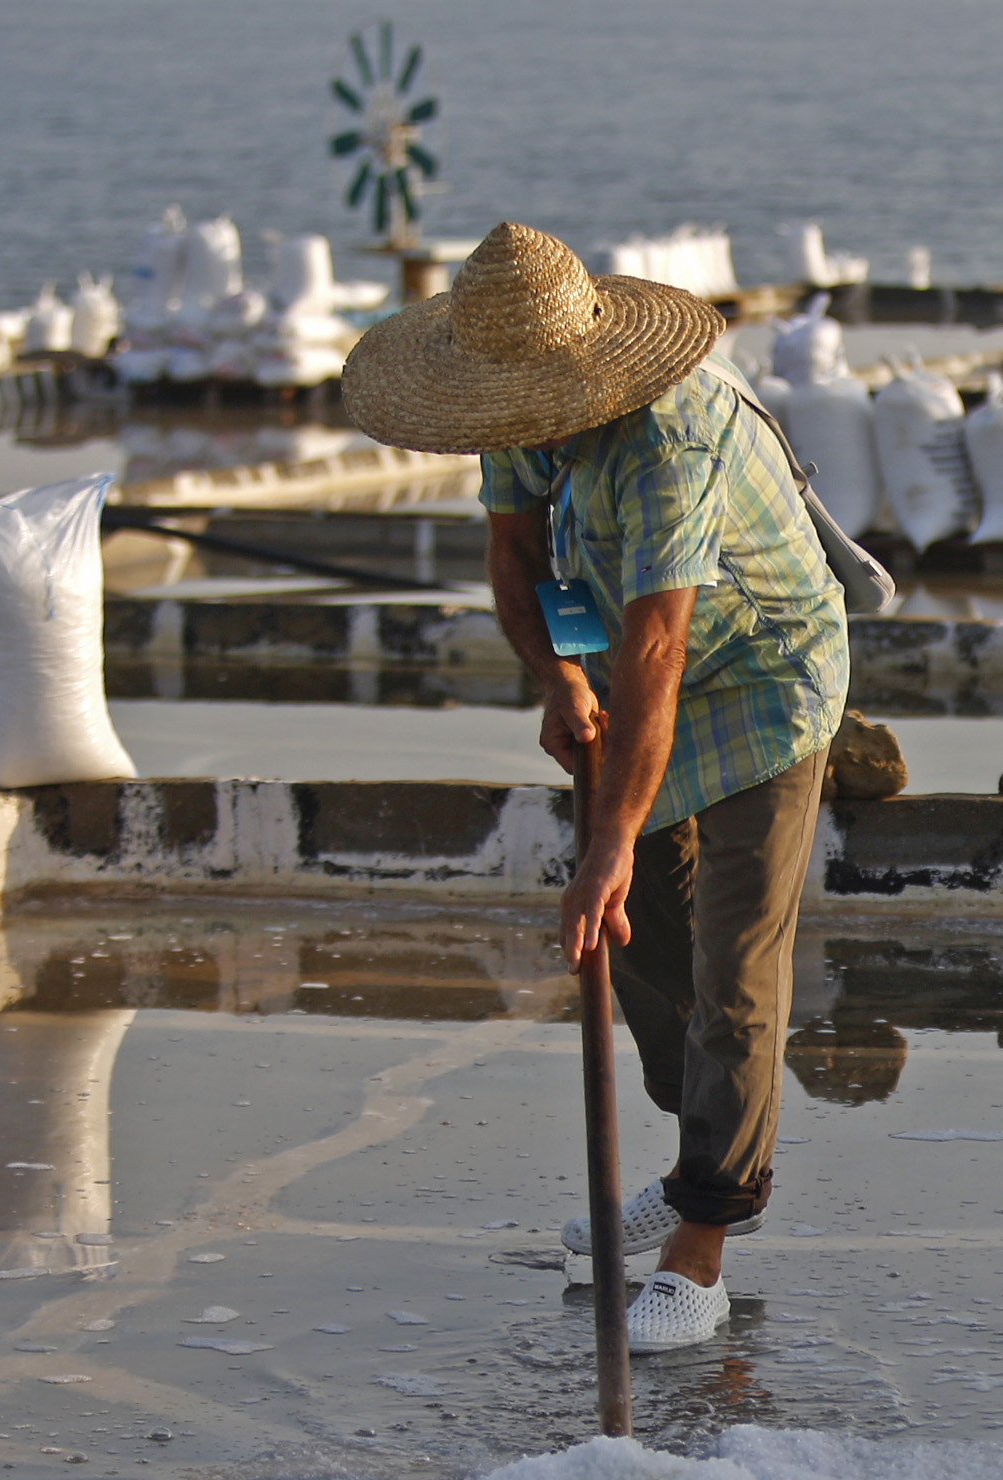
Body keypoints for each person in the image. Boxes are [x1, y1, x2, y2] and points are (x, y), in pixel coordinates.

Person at [345, 222, 849, 1353]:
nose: (514, 432)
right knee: (638, 944)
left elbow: (661, 652)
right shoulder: (517, 416)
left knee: (733, 958)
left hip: (761, 672)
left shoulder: (670, 440)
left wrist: (606, 837)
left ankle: (702, 1244)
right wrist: (555, 679)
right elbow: (515, 560)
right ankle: (694, 1166)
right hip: (635, 664)